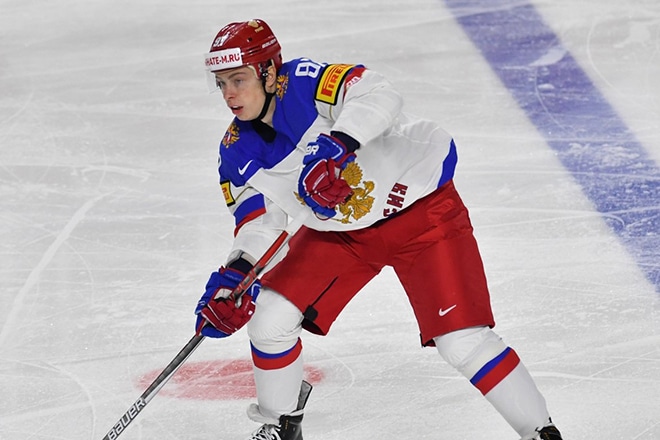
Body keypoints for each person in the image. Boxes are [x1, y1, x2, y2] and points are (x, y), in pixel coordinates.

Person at [194, 18, 564, 440]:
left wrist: (339, 144)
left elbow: (379, 93)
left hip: (422, 212)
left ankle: (540, 431)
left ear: (269, 72)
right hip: (343, 235)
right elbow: (259, 223)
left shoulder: (307, 82)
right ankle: (280, 423)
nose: (229, 94)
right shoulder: (235, 152)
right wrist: (237, 276)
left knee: (461, 340)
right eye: (221, 83)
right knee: (269, 318)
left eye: (238, 79)